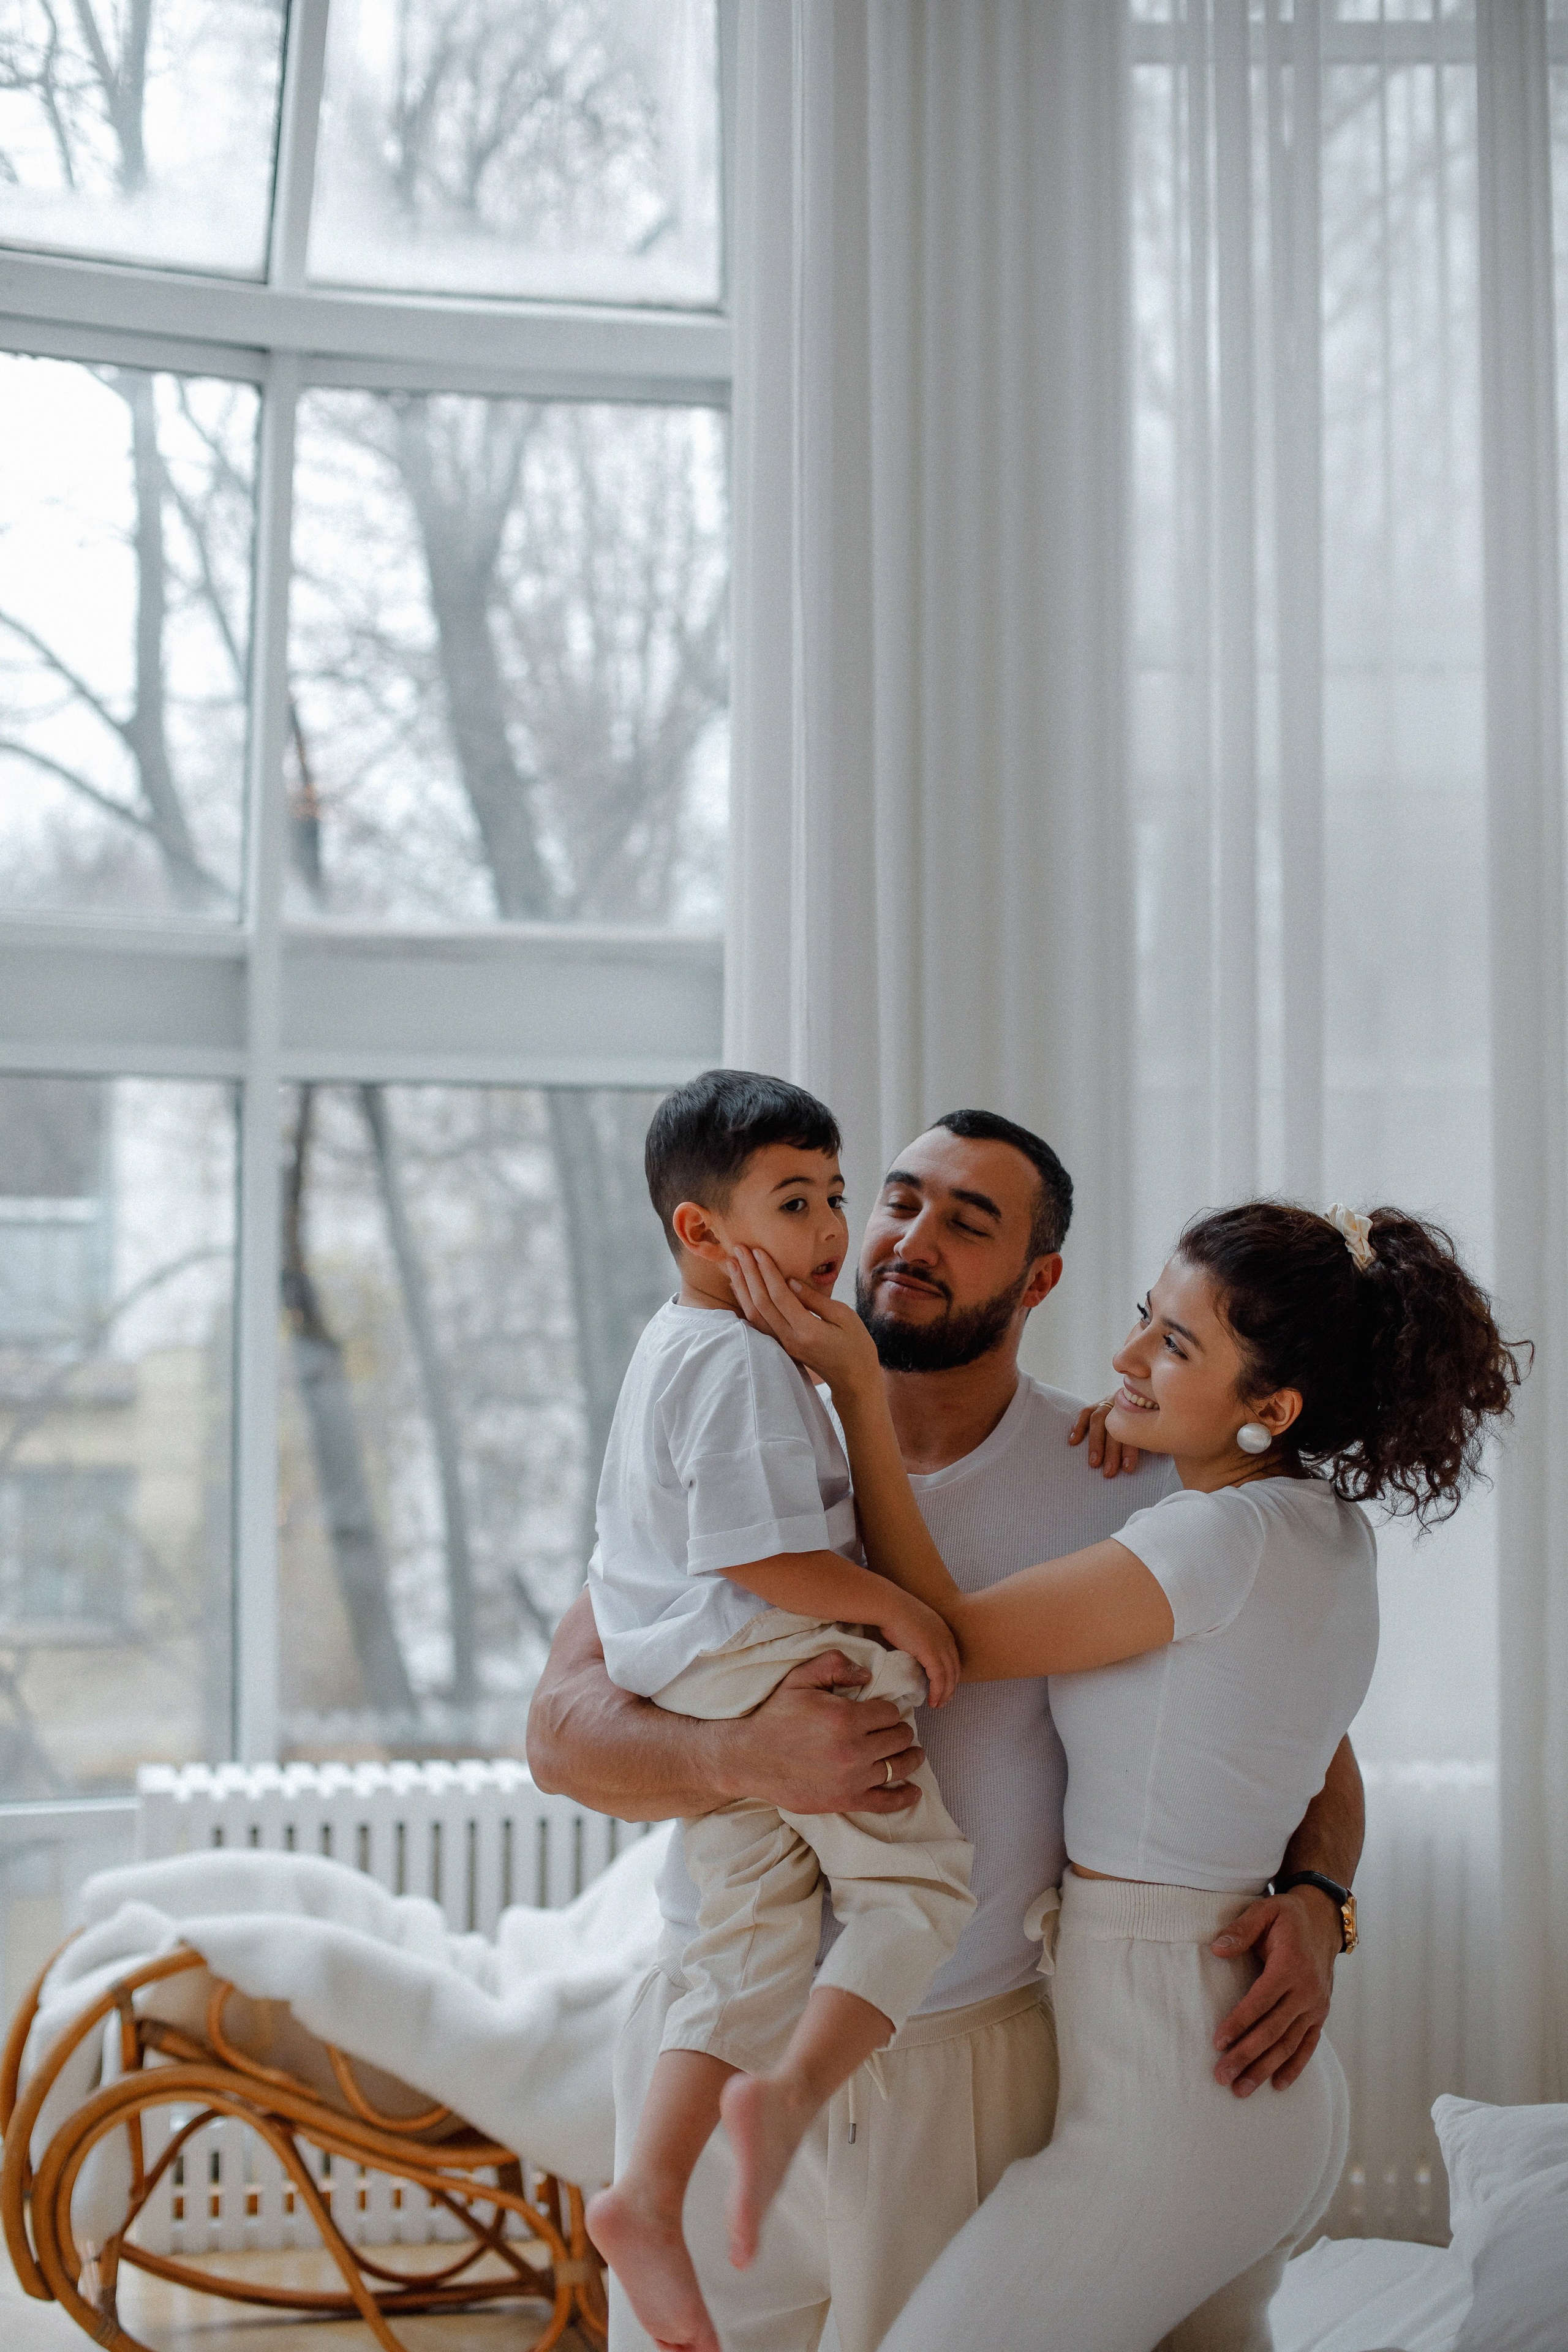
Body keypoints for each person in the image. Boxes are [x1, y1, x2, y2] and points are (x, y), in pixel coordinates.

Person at [529, 1111, 1368, 2352]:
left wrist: (1315, 1894)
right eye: (896, 1200)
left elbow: (1312, 1748)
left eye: (968, 1222)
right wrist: (733, 1758)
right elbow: (561, 1732)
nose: (910, 1238)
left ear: (1040, 1280)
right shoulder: (729, 1415)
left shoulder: (1131, 1478)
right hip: (708, 2035)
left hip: (965, 2067)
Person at [726, 1198, 1524, 2351]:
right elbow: (1303, 1749)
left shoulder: (1211, 1544)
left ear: (1274, 1409)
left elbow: (937, 1629)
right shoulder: (1319, 1532)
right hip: (1240, 2089)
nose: (1124, 1358)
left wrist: (856, 1389)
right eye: (1145, 1319)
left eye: (1175, 1345)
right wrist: (1158, 1423)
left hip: (1178, 2098)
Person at [583, 1071, 976, 2352]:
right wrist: (898, 1612)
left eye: (834, 1199)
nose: (828, 1234)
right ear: (701, 1234)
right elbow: (758, 1554)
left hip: (692, 1670)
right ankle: (795, 2090)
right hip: (766, 1653)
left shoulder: (670, 1346)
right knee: (916, 1891)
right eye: (794, 1203)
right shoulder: (740, 1362)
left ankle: (644, 2193)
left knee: (745, 1941)